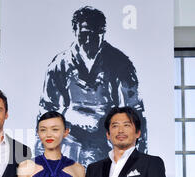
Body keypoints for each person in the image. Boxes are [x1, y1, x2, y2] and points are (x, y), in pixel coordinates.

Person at [37, 6, 146, 166]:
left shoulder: (120, 62)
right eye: (84, 34)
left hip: (107, 143)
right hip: (70, 142)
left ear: (104, 32)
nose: (89, 40)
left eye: (96, 35)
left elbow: (136, 109)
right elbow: (46, 109)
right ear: (75, 32)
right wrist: (41, 158)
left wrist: (140, 156)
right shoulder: (59, 64)